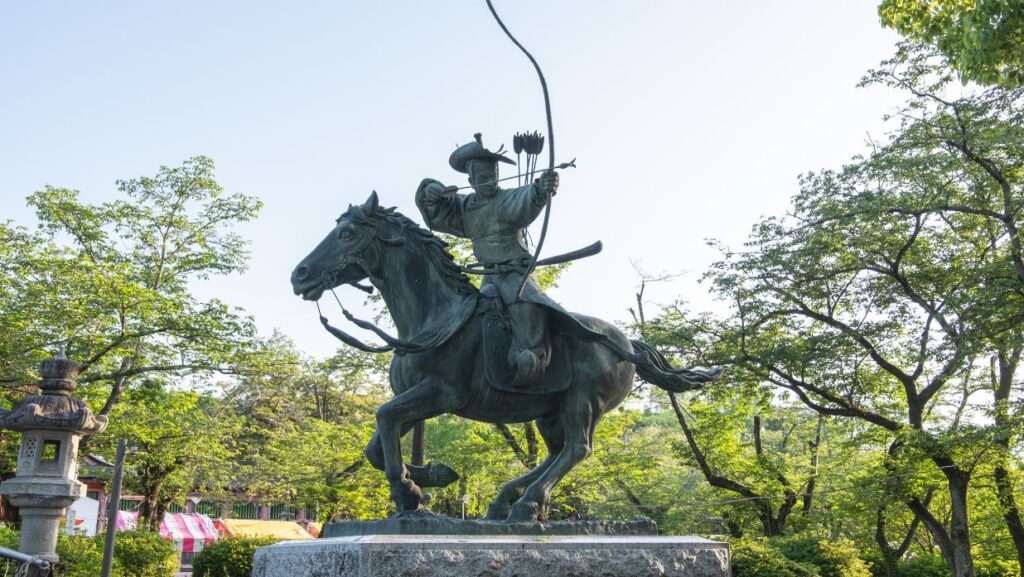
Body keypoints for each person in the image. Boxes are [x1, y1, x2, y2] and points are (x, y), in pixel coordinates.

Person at [416, 133, 559, 388]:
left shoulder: (507, 198)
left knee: (524, 303)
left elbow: (527, 198)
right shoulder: (464, 207)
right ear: (470, 180)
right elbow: (440, 211)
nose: (489, 182)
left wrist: (540, 188)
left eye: (493, 176)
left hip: (517, 274)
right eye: (482, 178)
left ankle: (533, 360)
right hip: (489, 277)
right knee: (475, 316)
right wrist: (431, 192)